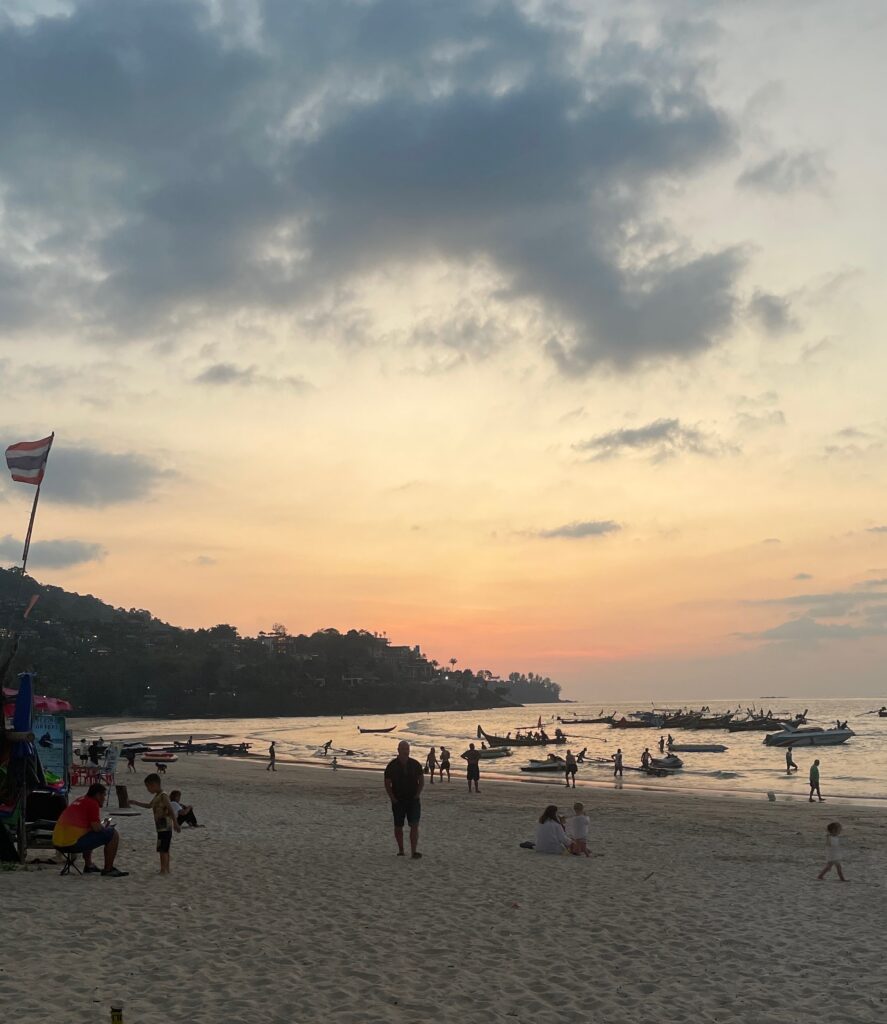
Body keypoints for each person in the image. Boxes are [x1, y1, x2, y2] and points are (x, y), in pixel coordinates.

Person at [52, 783, 128, 877]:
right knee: (113, 834)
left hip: (57, 843)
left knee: (90, 831)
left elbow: (90, 826)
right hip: (70, 844)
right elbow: (96, 828)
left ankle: (89, 865)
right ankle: (108, 869)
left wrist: (100, 826)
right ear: (97, 795)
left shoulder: (80, 800)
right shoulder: (92, 803)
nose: (104, 799)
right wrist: (105, 827)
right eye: (103, 795)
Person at [130, 773, 180, 873]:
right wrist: (135, 802)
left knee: (163, 849)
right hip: (160, 827)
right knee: (164, 848)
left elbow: (170, 809)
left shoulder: (163, 796)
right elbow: (149, 806)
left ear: (154, 785)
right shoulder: (157, 796)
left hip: (165, 827)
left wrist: (175, 823)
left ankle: (164, 869)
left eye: (148, 787)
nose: (148, 790)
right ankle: (166, 869)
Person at [383, 740, 424, 859]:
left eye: (407, 749)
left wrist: (417, 795)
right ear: (398, 750)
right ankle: (401, 850)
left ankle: (413, 851)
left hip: (413, 800)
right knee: (398, 826)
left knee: (414, 825)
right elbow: (387, 783)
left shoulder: (415, 764)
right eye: (403, 749)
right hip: (398, 800)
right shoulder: (392, 765)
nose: (406, 751)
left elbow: (421, 781)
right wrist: (392, 798)